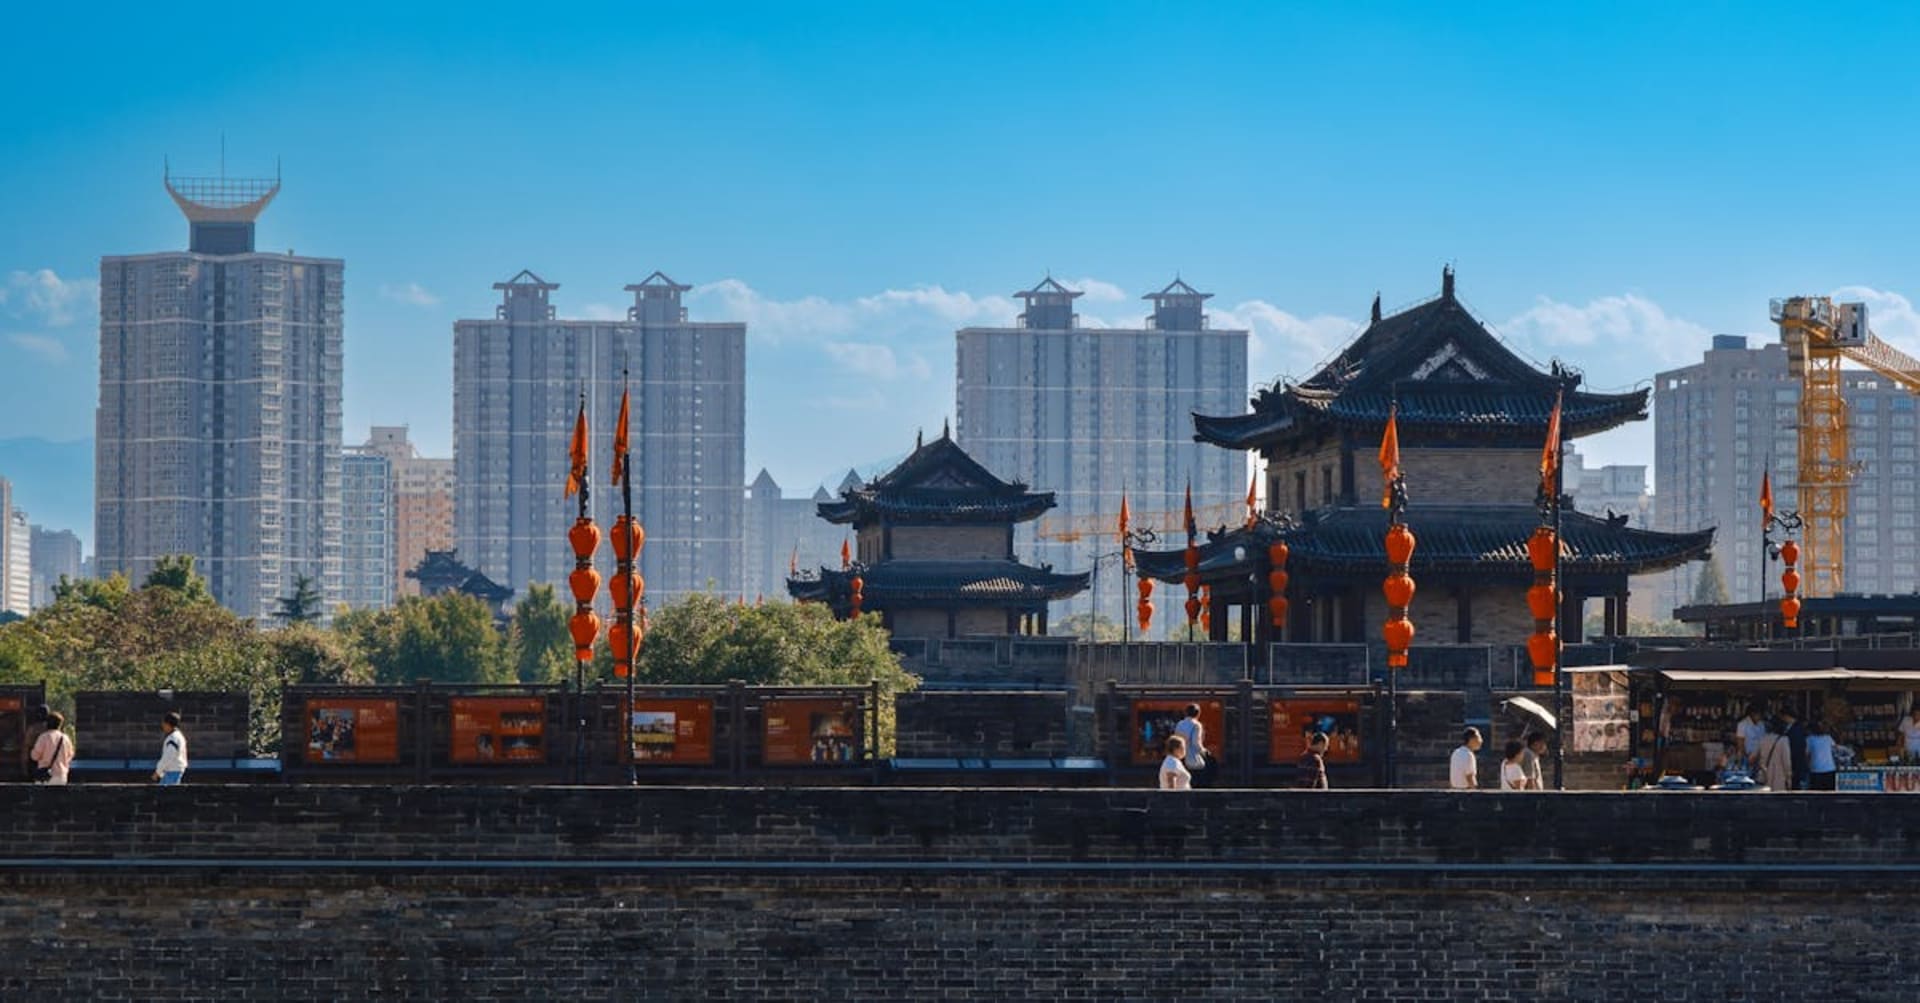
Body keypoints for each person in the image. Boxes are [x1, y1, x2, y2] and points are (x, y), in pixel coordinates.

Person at [30, 711, 73, 785]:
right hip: (61, 776)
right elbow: (70, 755)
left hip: (45, 775)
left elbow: (35, 756)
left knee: (42, 796)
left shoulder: (43, 737)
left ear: (47, 723)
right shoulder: (65, 738)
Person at [1172, 704, 1209, 788]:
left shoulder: (1179, 724)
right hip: (1193, 760)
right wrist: (1205, 752)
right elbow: (1196, 743)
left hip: (1181, 758)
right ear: (1198, 713)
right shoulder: (1197, 725)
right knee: (1197, 783)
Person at [1750, 719, 1792, 792]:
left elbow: (1752, 757)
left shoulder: (1763, 739)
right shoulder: (1784, 740)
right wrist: (1789, 779)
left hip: (1764, 776)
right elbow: (1786, 762)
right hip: (1779, 778)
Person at [152, 712, 189, 786]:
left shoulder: (173, 738)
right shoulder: (179, 736)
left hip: (172, 771)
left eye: (163, 723)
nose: (162, 726)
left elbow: (168, 757)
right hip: (174, 770)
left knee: (166, 795)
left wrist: (158, 772)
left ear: (167, 724)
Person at [1779, 707, 1808, 790]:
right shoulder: (1794, 728)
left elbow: (1797, 749)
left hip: (1796, 764)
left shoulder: (1796, 729)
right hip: (1794, 763)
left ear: (1786, 716)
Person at [1806, 721, 1837, 791]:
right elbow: (1835, 750)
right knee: (1829, 793)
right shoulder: (1828, 738)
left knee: (1816, 794)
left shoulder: (1809, 739)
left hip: (1816, 769)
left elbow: (1807, 755)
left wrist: (1808, 766)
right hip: (1829, 768)